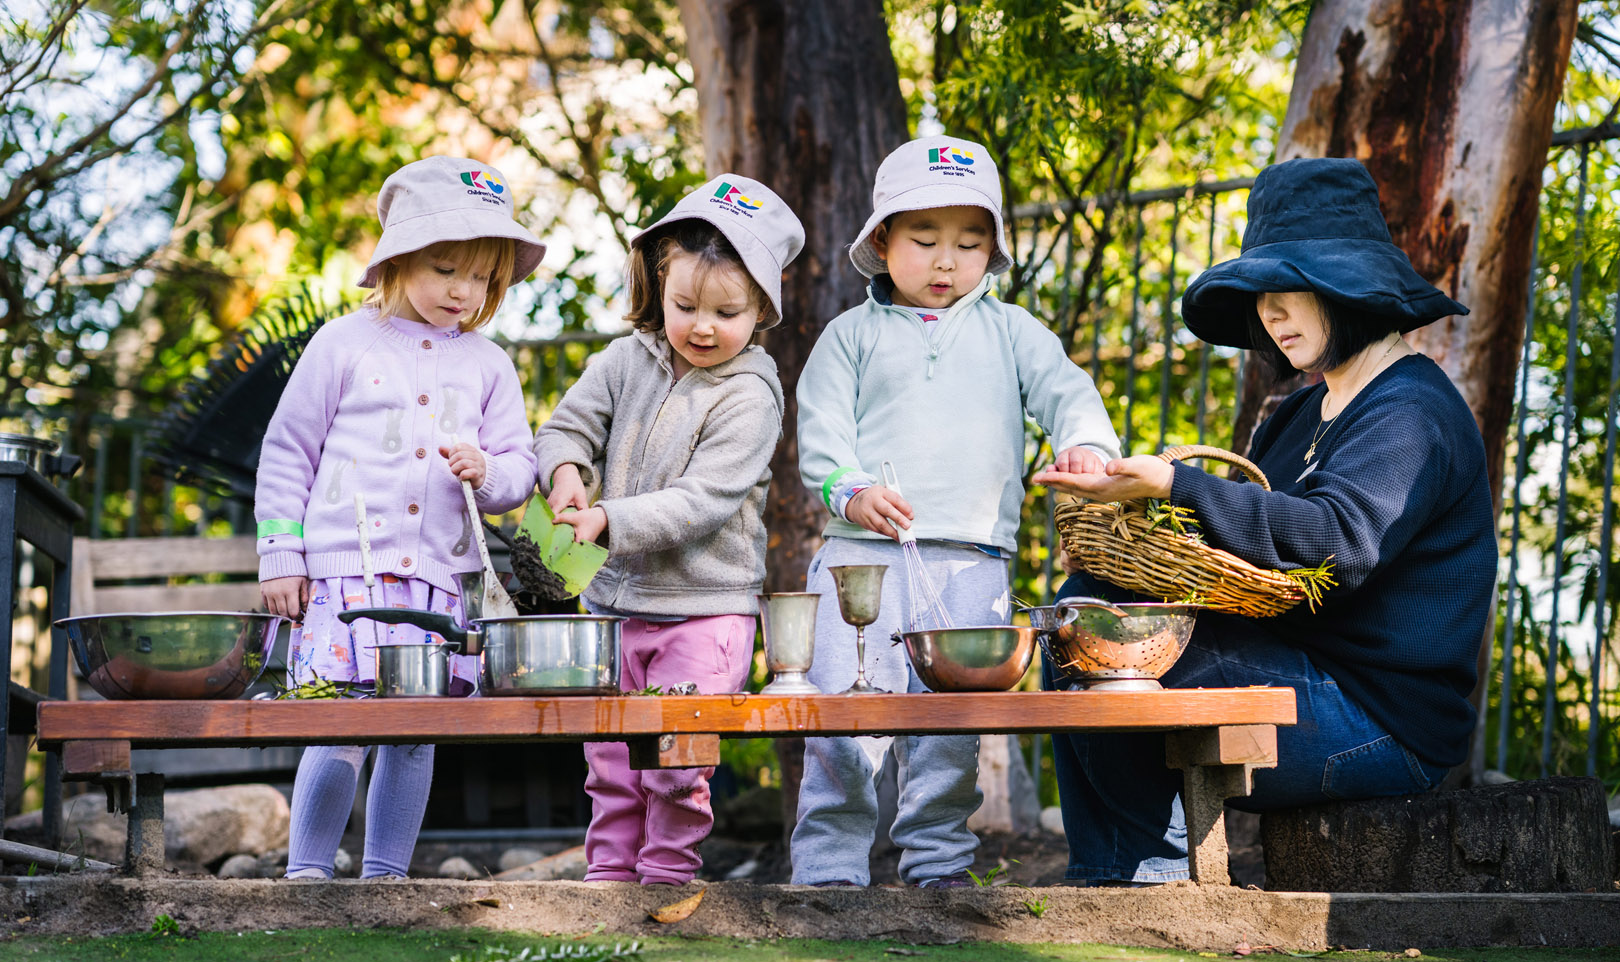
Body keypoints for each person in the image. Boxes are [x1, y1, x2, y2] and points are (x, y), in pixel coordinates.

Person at [1032, 156, 1495, 884]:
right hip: (1296, 671)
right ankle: (1117, 875)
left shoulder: (1412, 409)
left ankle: (1143, 878)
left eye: (1290, 293)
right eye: (1262, 297)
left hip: (1378, 719)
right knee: (1084, 613)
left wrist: (1177, 482)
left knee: (1098, 632)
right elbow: (1243, 553)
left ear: (1349, 289)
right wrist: (1132, 520)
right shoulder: (1303, 411)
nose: (1270, 315)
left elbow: (1335, 544)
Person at [790, 135, 1122, 888]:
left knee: (951, 731)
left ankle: (938, 869)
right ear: (883, 240)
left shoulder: (1013, 331)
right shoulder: (849, 336)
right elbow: (822, 434)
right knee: (842, 724)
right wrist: (852, 491)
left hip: (973, 563)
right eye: (925, 240)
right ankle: (827, 874)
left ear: (992, 250)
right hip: (861, 561)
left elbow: (1069, 393)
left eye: (970, 244)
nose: (947, 262)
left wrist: (1083, 445)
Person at [257, 156, 544, 880]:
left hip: (437, 587)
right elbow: (289, 450)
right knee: (338, 724)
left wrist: (489, 472)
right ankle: (307, 872)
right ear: (399, 258)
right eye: (446, 269)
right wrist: (281, 552)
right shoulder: (341, 344)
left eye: (481, 278)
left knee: (416, 734)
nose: (463, 291)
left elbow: (520, 468)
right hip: (345, 582)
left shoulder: (489, 365)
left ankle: (387, 878)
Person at [534, 176, 805, 885]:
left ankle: (665, 878)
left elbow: (701, 501)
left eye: (727, 312)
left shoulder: (751, 395)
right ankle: (609, 879)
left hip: (704, 613)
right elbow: (566, 427)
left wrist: (605, 520)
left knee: (675, 763)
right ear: (660, 285)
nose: (702, 327)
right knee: (609, 761)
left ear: (763, 308)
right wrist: (566, 473)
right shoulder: (626, 359)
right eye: (686, 306)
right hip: (613, 610)